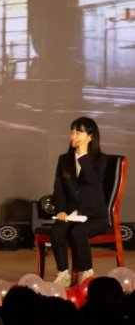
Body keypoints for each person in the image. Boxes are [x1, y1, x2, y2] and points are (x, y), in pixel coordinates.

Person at [50, 116, 108, 289]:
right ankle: (63, 274)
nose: (73, 136)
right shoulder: (64, 159)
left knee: (78, 232)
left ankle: (87, 273)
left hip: (95, 216)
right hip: (71, 213)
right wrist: (61, 210)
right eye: (72, 132)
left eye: (78, 132)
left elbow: (92, 179)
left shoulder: (101, 159)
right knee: (57, 230)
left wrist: (83, 155)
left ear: (90, 137)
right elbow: (59, 188)